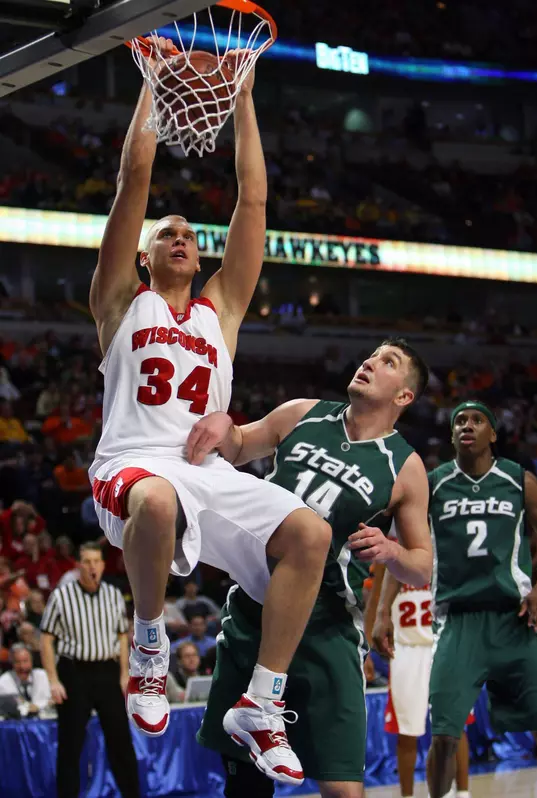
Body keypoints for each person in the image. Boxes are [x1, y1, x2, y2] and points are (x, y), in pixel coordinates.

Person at [87, 34, 331, 783]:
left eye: (192, 234)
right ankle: (151, 644)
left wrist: (246, 98)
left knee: (310, 535)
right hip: (131, 467)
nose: (185, 238)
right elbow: (135, 178)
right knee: (156, 504)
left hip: (208, 474)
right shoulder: (118, 303)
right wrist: (155, 84)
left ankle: (261, 703)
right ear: (144, 257)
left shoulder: (221, 310)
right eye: (169, 235)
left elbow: (252, 200)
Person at [190, 339, 433, 798]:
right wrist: (224, 422)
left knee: (343, 789)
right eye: (372, 355)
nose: (369, 362)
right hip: (256, 611)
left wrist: (391, 551)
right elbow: (239, 446)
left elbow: (422, 568)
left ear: (404, 396)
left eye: (388, 362)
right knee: (244, 781)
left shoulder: (406, 467)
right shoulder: (304, 412)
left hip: (327, 625)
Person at [374, 400, 537, 798]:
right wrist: (382, 613)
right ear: (451, 435)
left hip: (513, 619)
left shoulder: (520, 480)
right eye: (460, 421)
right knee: (445, 734)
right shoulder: (433, 484)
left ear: (493, 433)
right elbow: (403, 550)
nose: (468, 425)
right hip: (455, 622)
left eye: (478, 420)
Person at [40, 542, 140, 798]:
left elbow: (121, 636)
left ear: (103, 565)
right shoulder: (61, 596)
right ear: (78, 565)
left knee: (121, 742)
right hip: (74, 672)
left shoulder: (113, 594)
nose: (92, 566)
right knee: (70, 745)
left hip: (107, 671)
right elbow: (47, 639)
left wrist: (124, 674)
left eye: (96, 561)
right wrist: (53, 679)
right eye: (87, 561)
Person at [372, 567, 471, 798]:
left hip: (442, 644)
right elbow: (375, 603)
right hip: (406, 650)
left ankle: (464, 792)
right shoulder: (392, 556)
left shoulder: (445, 547)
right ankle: (407, 795)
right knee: (406, 730)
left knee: (456, 724)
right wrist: (367, 650)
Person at [0, 642, 51, 716]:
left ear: (32, 661)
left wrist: (38, 706)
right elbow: (11, 706)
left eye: (25, 661)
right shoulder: (3, 681)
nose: (22, 666)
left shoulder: (42, 675)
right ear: (12, 663)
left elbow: (51, 701)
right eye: (17, 662)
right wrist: (31, 707)